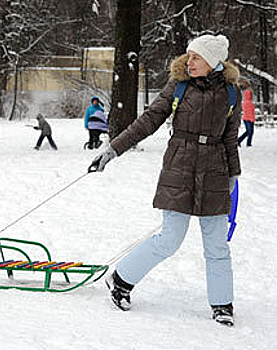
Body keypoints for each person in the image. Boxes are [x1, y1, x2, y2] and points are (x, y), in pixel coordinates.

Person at [90, 34, 241, 326]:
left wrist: (233, 173)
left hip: (215, 172)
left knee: (217, 245)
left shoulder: (231, 94)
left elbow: (230, 139)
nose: (189, 61)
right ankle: (121, 280)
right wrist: (113, 149)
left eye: (196, 57)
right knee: (170, 239)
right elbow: (147, 121)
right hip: (179, 168)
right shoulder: (179, 86)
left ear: (213, 61)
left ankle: (222, 304)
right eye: (189, 55)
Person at [237, 82, 255, 147]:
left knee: (248, 132)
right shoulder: (249, 103)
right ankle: (248, 143)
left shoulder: (245, 102)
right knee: (250, 132)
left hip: (247, 118)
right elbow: (250, 112)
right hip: (249, 119)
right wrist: (252, 119)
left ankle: (239, 141)